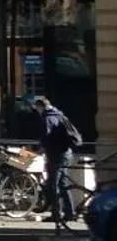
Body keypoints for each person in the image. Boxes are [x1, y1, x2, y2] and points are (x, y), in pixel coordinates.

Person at [34, 96, 81, 231]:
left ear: (40, 106)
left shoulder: (47, 117)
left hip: (56, 154)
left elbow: (47, 135)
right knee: (63, 184)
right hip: (67, 152)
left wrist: (41, 149)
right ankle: (69, 212)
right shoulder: (59, 114)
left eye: (37, 108)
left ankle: (56, 215)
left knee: (52, 185)